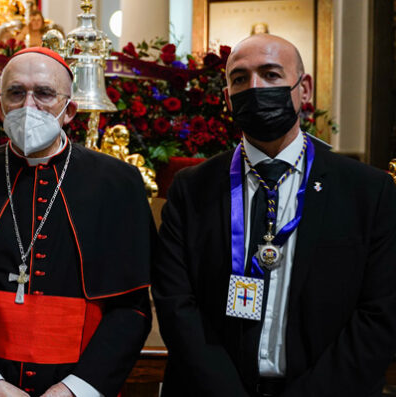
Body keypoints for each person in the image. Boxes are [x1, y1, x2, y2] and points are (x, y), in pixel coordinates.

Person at [153, 33, 396, 397]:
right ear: (227, 99)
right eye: (240, 79)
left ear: (304, 89)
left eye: (270, 74)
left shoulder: (368, 191)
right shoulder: (191, 189)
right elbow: (176, 305)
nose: (255, 88)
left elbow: (380, 314)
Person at [0, 47, 153, 397]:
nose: (28, 106)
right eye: (16, 93)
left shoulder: (118, 184)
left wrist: (76, 389)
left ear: (69, 110)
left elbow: (131, 308)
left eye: (44, 93)